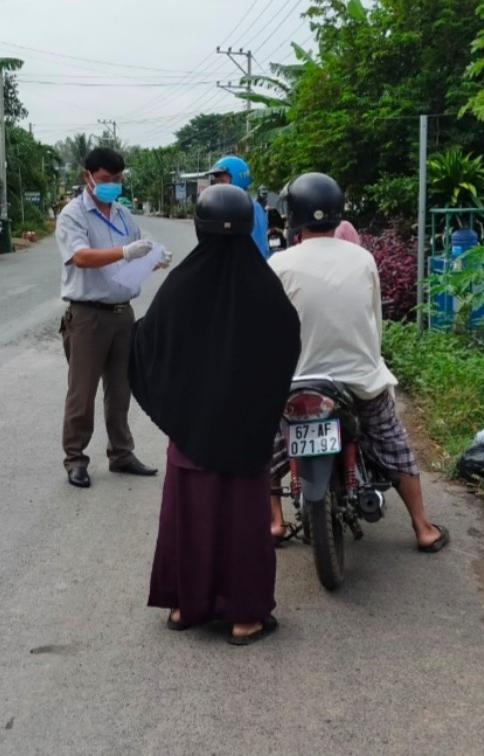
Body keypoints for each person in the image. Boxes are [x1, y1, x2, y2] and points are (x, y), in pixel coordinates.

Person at [131, 184, 301, 645]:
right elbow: (288, 344)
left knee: (188, 517)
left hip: (191, 432)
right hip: (245, 436)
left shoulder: (181, 285)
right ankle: (244, 618)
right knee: (243, 521)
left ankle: (185, 606)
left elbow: (147, 343)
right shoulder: (265, 287)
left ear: (200, 227)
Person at [267, 172, 449, 553]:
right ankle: (423, 527)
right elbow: (373, 323)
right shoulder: (363, 258)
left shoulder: (278, 264)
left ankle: (275, 521)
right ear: (337, 214)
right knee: (392, 441)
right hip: (358, 384)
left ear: (294, 217)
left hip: (294, 384)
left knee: (262, 444)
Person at [56, 147, 171, 489]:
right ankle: (75, 458)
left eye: (118, 180)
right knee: (82, 392)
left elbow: (136, 253)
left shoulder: (123, 215)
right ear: (87, 177)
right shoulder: (73, 215)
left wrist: (153, 258)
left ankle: (121, 453)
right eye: (106, 180)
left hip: (123, 314)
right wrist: (123, 252)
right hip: (88, 315)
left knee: (121, 390)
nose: (112, 186)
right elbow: (80, 257)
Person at [208, 155, 269, 258]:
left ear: (237, 180)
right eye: (216, 182)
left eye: (222, 181)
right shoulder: (252, 206)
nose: (218, 186)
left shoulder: (240, 209)